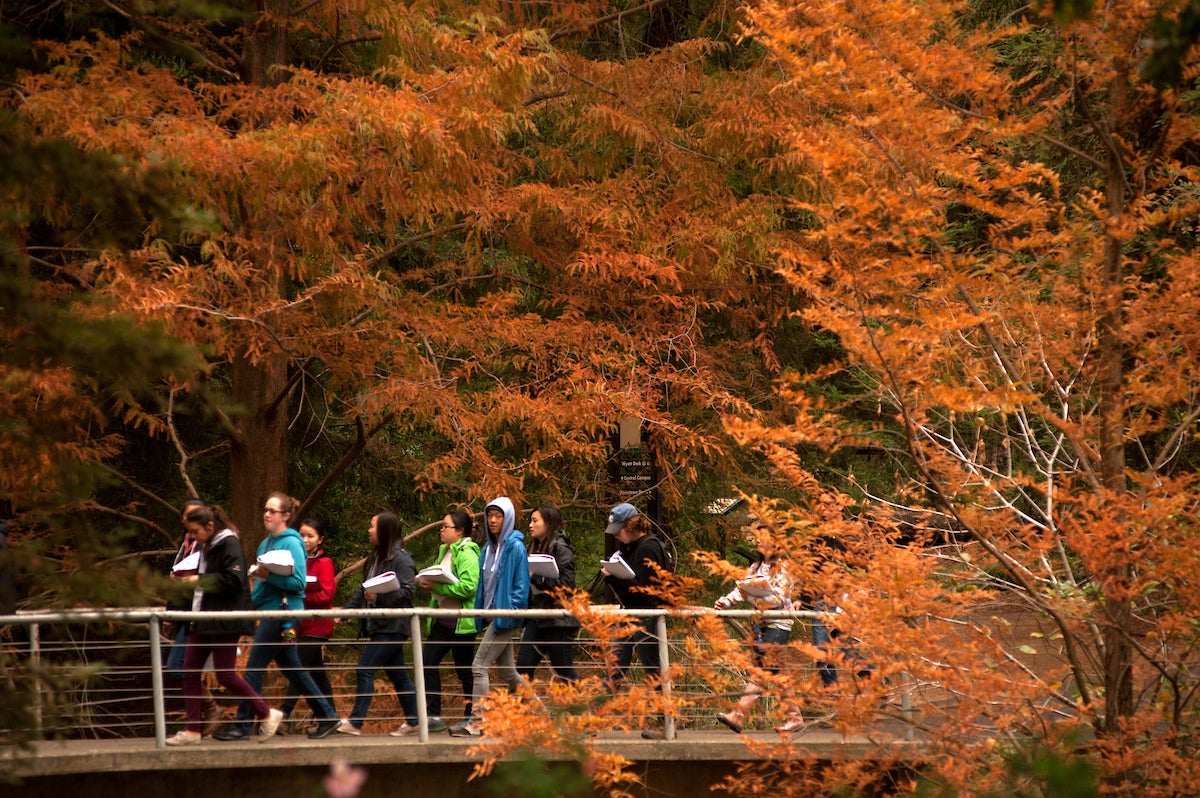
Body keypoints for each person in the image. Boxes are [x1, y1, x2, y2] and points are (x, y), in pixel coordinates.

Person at [216, 492, 339, 741]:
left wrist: (269, 576)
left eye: (272, 511)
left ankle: (241, 725)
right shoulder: (265, 544)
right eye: (265, 510)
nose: (267, 514)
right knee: (293, 668)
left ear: (285, 515)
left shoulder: (292, 542)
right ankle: (328, 716)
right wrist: (248, 608)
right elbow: (261, 589)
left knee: (254, 667)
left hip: (285, 614)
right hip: (272, 612)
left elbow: (298, 582)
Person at [166, 503, 284, 745]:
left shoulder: (229, 544)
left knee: (225, 675)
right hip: (202, 618)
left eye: (196, 532)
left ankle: (266, 713)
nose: (193, 537)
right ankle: (192, 730)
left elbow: (235, 578)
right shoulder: (208, 545)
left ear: (210, 526)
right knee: (188, 670)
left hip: (223, 621)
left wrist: (200, 579)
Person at [448, 496, 529, 738]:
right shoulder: (487, 548)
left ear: (508, 518)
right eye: (490, 515)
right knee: (509, 673)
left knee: (478, 666)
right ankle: (543, 714)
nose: (493, 520)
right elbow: (485, 585)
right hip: (493, 616)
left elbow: (521, 587)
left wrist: (508, 614)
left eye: (498, 515)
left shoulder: (515, 547)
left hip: (505, 617)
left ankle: (477, 722)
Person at [336, 511, 419, 736]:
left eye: (373, 526)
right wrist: (346, 612)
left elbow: (408, 591)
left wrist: (380, 598)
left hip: (393, 627)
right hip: (379, 626)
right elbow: (364, 590)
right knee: (398, 675)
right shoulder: (375, 557)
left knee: (364, 668)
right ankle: (415, 721)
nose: (369, 530)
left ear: (384, 531)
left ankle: (355, 722)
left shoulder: (401, 559)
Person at [601, 502, 672, 738]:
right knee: (615, 665)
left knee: (653, 669)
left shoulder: (649, 548)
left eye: (620, 530)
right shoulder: (631, 548)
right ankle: (591, 719)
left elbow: (643, 590)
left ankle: (665, 723)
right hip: (629, 613)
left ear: (631, 526)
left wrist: (614, 577)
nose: (618, 537)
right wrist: (612, 577)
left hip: (646, 616)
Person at [712, 542, 794, 733]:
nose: (758, 541)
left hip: (779, 624)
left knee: (761, 669)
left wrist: (751, 597)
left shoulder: (784, 568)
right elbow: (741, 590)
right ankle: (794, 717)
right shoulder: (755, 566)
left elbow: (778, 600)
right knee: (776, 671)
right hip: (759, 625)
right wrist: (725, 602)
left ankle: (738, 715)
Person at [416, 507, 480, 733]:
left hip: (462, 624)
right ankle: (433, 715)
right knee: (427, 662)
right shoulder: (445, 551)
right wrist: (427, 582)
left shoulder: (468, 553)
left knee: (464, 670)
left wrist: (437, 586)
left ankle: (470, 715)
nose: (441, 530)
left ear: (460, 530)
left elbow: (469, 587)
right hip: (442, 621)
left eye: (446, 526)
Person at [165, 498, 224, 735]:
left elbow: (218, 579)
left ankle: (210, 710)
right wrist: (170, 614)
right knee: (183, 667)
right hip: (184, 613)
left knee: (180, 666)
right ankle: (196, 723)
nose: (189, 523)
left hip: (200, 613)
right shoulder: (187, 543)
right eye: (185, 519)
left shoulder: (211, 544)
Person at [277, 517, 337, 732]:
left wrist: (300, 597)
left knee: (297, 667)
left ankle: (282, 712)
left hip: (317, 627)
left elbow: (326, 596)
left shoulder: (324, 564)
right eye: (301, 535)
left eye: (310, 536)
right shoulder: (292, 562)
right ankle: (330, 716)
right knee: (317, 672)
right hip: (296, 626)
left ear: (320, 539)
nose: (305, 540)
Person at [516, 505, 579, 683]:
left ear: (548, 523)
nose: (530, 525)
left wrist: (536, 578)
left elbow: (567, 586)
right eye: (530, 520)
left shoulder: (561, 547)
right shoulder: (533, 547)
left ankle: (582, 708)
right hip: (537, 616)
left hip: (559, 620)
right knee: (523, 667)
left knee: (564, 670)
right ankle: (519, 709)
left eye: (535, 521)